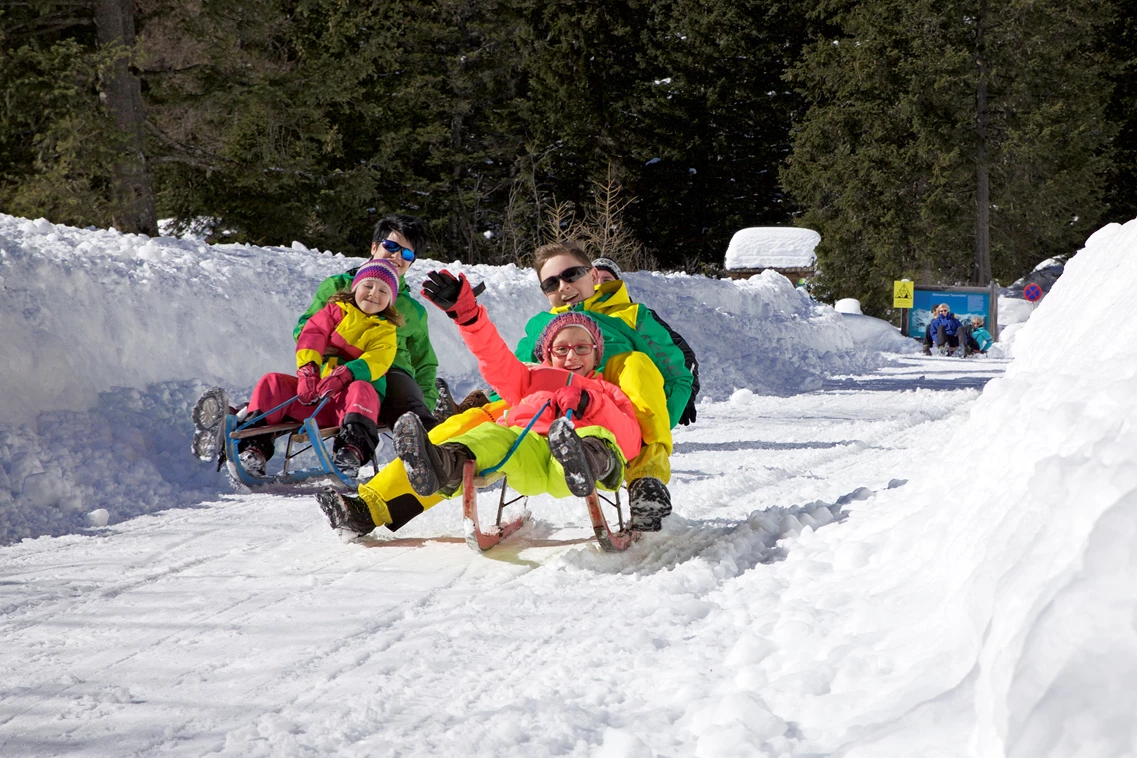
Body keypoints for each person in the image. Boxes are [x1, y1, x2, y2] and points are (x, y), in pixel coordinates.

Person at [317, 281, 642, 539]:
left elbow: (628, 438)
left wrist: (591, 402)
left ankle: (579, 459)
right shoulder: (534, 379)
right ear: (547, 354)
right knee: (489, 437)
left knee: (593, 435)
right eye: (561, 348)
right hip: (525, 446)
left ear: (597, 354)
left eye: (582, 348)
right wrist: (469, 316)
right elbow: (496, 359)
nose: (571, 357)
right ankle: (440, 465)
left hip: (577, 457)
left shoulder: (605, 390)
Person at [514, 242, 694, 532]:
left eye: (571, 274)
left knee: (635, 363)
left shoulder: (630, 316)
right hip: (557, 411)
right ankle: (448, 459)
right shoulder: (541, 326)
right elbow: (516, 377)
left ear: (593, 275)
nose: (563, 286)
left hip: (617, 418)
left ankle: (646, 483)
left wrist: (658, 426)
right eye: (550, 283)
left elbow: (676, 376)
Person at [213, 259, 403, 479]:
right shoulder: (334, 312)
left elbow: (378, 358)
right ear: (355, 288)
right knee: (272, 382)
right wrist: (308, 371)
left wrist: (346, 373)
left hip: (351, 405)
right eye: (368, 286)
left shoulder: (385, 330)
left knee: (362, 388)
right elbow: (312, 335)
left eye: (383, 290)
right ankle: (254, 448)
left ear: (390, 300)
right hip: (315, 396)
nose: (373, 294)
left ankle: (350, 452)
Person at [294, 214, 440, 430]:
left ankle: (429, 443)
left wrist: (425, 404)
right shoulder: (337, 287)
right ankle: (248, 429)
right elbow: (307, 330)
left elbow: (424, 362)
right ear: (374, 247)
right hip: (336, 368)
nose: (396, 255)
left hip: (391, 375)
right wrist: (323, 355)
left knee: (407, 404)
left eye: (407, 253)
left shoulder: (412, 311)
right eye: (390, 245)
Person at [591, 257, 700, 426]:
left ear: (618, 284)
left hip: (632, 411)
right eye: (593, 280)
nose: (599, 285)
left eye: (607, 280)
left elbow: (682, 356)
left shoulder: (638, 316)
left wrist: (684, 397)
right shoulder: (574, 316)